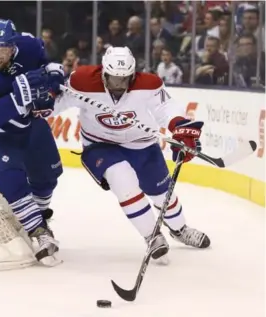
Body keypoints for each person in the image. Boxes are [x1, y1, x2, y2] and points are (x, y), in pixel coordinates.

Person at [39, 46, 210, 261]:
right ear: (103, 72)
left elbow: (166, 108)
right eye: (113, 79)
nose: (119, 86)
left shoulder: (148, 84)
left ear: (133, 74)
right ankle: (152, 237)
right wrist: (42, 101)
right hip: (100, 145)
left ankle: (180, 229)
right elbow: (55, 104)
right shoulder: (83, 81)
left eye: (124, 79)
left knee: (161, 193)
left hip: (143, 145)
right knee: (122, 179)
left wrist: (181, 128)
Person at [0, 19, 64, 266]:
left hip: (30, 126)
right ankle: (39, 232)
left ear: (13, 47)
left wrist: (53, 74)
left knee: (47, 178)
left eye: (3, 50)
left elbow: (45, 61)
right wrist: (17, 100)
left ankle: (37, 217)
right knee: (13, 182)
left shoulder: (28, 45)